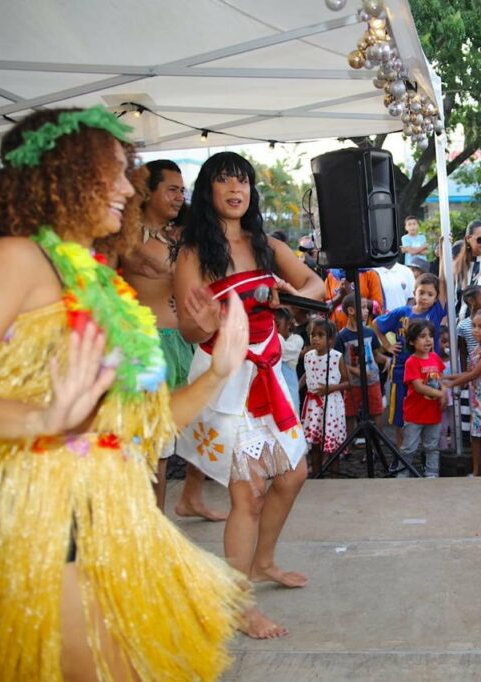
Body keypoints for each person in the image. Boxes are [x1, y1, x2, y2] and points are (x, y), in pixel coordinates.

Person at [0, 108, 251, 677]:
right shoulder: (16, 259)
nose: (128, 188)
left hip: (113, 512)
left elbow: (147, 420)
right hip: (47, 516)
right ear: (61, 173)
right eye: (112, 172)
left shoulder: (99, 280)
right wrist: (43, 419)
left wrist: (217, 372)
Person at [174, 150, 324, 640]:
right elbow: (188, 329)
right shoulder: (194, 252)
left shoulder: (267, 244)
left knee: (294, 474)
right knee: (249, 492)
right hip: (224, 378)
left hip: (269, 371)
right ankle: (238, 603)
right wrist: (207, 320)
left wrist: (288, 293)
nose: (236, 189)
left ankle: (262, 563)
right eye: (224, 180)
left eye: (242, 180)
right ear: (208, 191)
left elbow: (316, 285)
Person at [121, 158, 227, 515]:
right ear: (146, 192)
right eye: (171, 189)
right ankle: (154, 521)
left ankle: (191, 498)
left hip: (189, 340)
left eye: (182, 190)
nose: (180, 196)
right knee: (157, 445)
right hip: (148, 345)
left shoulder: (184, 236)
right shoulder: (122, 236)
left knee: (205, 424)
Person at [376, 272, 448, 446]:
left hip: (427, 371)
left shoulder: (435, 312)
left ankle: (423, 449)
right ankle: (400, 450)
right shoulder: (402, 312)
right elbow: (376, 324)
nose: (425, 297)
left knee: (426, 408)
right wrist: (387, 346)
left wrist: (441, 256)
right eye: (421, 292)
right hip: (401, 370)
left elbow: (443, 282)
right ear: (414, 293)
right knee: (400, 413)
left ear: (436, 297)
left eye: (430, 294)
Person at [442, 309, 481, 476]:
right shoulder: (477, 349)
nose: (475, 330)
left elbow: (474, 374)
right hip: (477, 399)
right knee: (475, 437)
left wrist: (451, 383)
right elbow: (469, 373)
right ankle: (477, 471)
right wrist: (447, 377)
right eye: (474, 326)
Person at [400, 319, 447, 478]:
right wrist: (441, 394)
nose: (428, 340)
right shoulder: (411, 362)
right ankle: (402, 474)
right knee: (408, 448)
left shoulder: (435, 357)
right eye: (422, 336)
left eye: (430, 336)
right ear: (411, 341)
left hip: (433, 413)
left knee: (432, 447)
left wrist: (444, 389)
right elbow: (419, 387)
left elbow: (441, 379)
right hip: (414, 414)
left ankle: (432, 474)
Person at [301, 318, 347, 477]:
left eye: (320, 335)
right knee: (315, 444)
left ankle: (334, 477)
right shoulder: (308, 356)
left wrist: (330, 388)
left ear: (331, 340)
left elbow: (348, 382)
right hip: (313, 406)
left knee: (332, 445)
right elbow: (307, 374)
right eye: (313, 335)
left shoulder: (336, 357)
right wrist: (296, 388)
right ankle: (317, 474)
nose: (315, 338)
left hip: (331, 406)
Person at [334, 294, 385, 435]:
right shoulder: (341, 336)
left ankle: (378, 442)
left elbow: (376, 355)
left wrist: (387, 360)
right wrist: (354, 370)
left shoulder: (370, 332)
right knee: (350, 413)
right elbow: (338, 362)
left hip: (372, 380)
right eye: (363, 307)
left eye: (366, 307)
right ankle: (349, 443)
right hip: (353, 383)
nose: (367, 310)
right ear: (351, 310)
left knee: (377, 411)